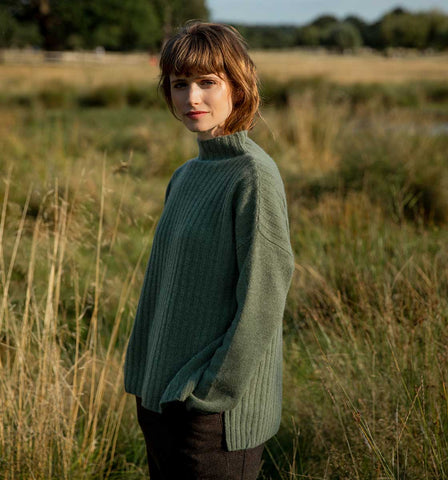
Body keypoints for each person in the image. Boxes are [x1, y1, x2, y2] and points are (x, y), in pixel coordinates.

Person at [124, 21, 295, 480]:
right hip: (159, 401)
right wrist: (146, 380)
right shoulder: (185, 175)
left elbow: (263, 297)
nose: (191, 98)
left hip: (213, 418)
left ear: (238, 88)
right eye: (180, 84)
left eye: (207, 83)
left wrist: (212, 395)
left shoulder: (253, 177)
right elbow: (165, 288)